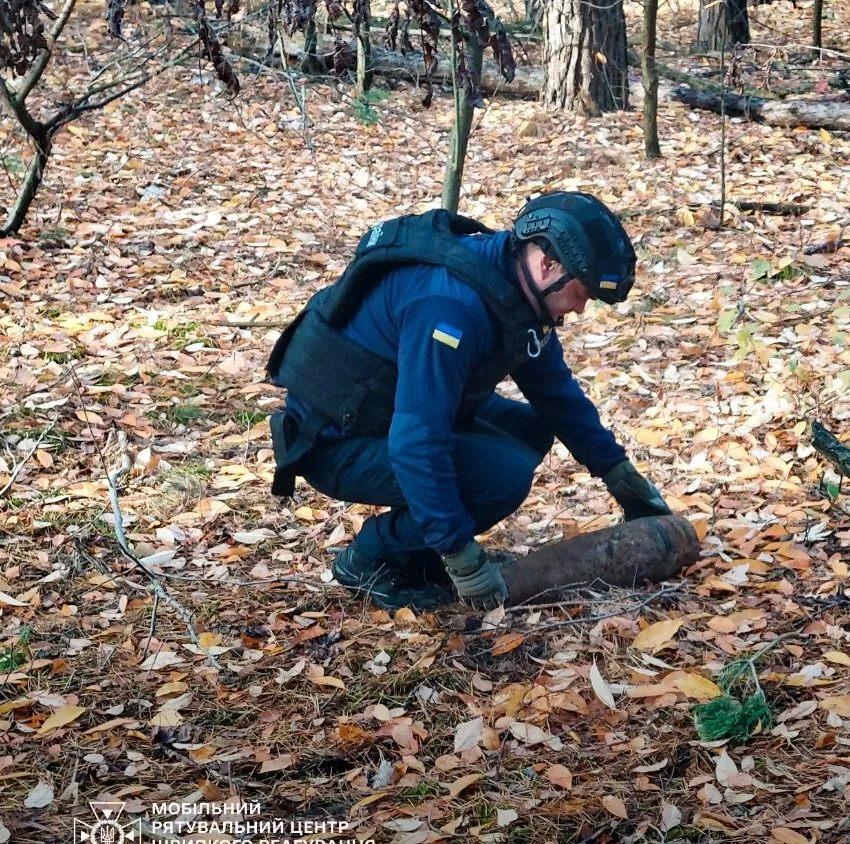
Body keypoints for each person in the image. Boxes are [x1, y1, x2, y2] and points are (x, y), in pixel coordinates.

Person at [266, 191, 672, 611]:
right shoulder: (450, 309)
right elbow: (417, 444)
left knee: (531, 429)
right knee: (502, 476)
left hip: (388, 410)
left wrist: (617, 473)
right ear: (548, 264)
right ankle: (371, 557)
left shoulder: (515, 288)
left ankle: (419, 554)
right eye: (582, 294)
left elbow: (557, 394)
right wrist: (460, 554)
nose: (582, 309)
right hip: (336, 441)